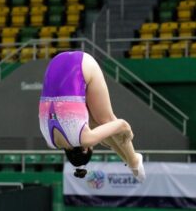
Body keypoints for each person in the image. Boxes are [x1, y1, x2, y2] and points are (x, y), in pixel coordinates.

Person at [38, 51, 145, 182]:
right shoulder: (50, 141)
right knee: (98, 124)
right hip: (55, 63)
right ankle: (129, 161)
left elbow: (121, 125)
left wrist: (127, 131)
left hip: (81, 63)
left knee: (106, 119)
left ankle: (134, 162)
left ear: (85, 150)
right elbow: (93, 127)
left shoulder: (86, 139)